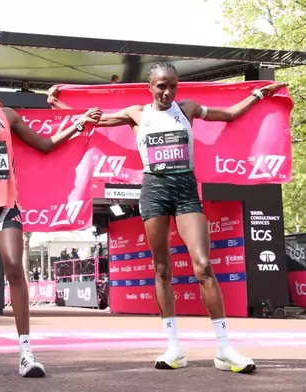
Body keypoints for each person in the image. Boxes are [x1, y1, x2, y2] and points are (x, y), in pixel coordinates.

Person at [89, 62, 285, 373]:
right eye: (161, 86)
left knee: (203, 265)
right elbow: (93, 120)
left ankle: (224, 349)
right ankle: (174, 348)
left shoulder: (188, 108)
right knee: (162, 268)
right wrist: (58, 103)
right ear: (150, 87)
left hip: (186, 191)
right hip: (153, 191)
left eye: (172, 86)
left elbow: (230, 114)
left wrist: (259, 93)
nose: (167, 92)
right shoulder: (136, 114)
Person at [0, 60, 102, 377]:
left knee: (14, 265)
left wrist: (78, 124)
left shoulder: (8, 116)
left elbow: (44, 144)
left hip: (4, 203)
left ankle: (26, 352)